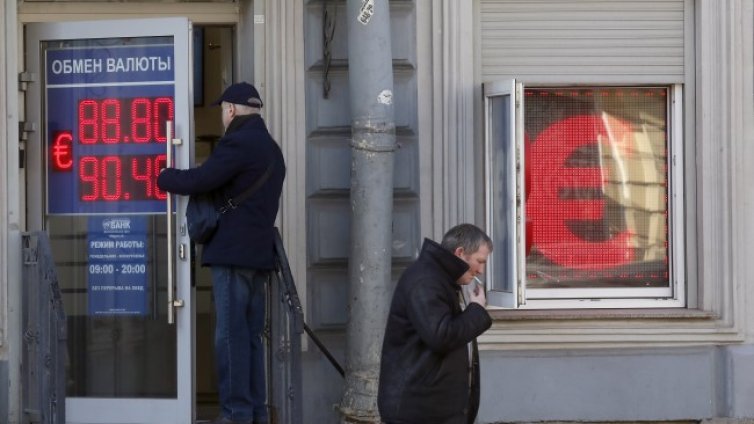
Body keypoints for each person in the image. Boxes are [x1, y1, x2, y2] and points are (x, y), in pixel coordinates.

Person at [157, 82, 285, 424]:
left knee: (230, 339)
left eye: (222, 111)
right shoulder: (272, 149)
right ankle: (255, 412)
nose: (222, 116)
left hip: (232, 257)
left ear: (231, 110)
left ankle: (235, 415)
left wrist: (164, 176)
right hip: (258, 257)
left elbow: (202, 180)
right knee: (252, 338)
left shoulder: (239, 142)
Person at [378, 223, 493, 424]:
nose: (481, 270)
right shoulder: (425, 280)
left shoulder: (438, 278)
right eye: (480, 261)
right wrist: (476, 310)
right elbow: (442, 336)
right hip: (418, 412)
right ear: (460, 253)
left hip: (429, 409)